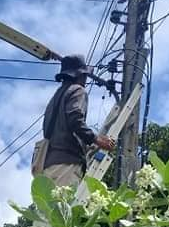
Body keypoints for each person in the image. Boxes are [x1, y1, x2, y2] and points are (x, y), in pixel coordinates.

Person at [41, 54, 115, 187]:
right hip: (67, 163)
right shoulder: (78, 90)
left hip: (49, 164)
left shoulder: (55, 98)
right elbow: (75, 120)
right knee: (64, 206)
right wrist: (97, 140)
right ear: (80, 75)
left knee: (51, 206)